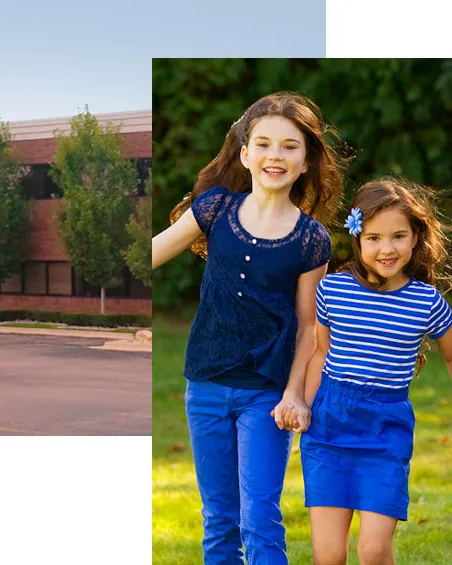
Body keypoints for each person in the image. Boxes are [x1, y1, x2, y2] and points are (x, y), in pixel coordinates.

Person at [151, 91, 344, 564]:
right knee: (219, 518)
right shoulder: (214, 209)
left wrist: (295, 393)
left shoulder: (311, 238)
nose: (274, 155)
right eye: (263, 144)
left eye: (289, 146)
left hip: (267, 394)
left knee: (258, 515)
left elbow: (307, 328)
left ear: (305, 162)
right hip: (207, 386)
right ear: (244, 153)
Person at [300, 178, 452, 565]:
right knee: (329, 555)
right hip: (329, 427)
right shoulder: (332, 290)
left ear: (415, 237)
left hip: (385, 430)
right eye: (374, 238)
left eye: (398, 236)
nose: (386, 249)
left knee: (373, 552)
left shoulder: (427, 301)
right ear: (357, 238)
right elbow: (320, 352)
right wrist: (304, 405)